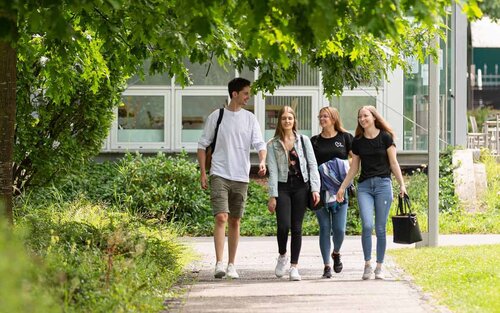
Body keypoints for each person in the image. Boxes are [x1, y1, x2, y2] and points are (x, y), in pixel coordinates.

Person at [197, 77, 267, 279]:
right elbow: (202, 145)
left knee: (235, 221)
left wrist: (262, 161)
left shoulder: (250, 118)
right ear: (234, 94)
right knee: (221, 217)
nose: (248, 97)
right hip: (219, 172)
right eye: (245, 93)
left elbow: (259, 144)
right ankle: (219, 262)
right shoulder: (216, 116)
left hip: (240, 175)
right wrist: (203, 172)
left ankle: (231, 264)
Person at [336, 105, 407, 280]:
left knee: (381, 228)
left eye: (365, 116)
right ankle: (367, 264)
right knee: (367, 225)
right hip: (365, 187)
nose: (362, 119)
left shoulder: (386, 138)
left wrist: (402, 185)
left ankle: (379, 266)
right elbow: (354, 168)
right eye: (360, 116)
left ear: (374, 117)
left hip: (383, 185)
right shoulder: (357, 142)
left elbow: (394, 163)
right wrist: (343, 187)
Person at [266, 106, 320, 281]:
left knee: (297, 227)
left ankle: (294, 267)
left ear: (294, 120)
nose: (287, 121)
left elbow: (312, 165)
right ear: (280, 121)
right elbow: (272, 171)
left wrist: (315, 189)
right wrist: (273, 195)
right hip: (282, 186)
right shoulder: (273, 144)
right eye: (284, 118)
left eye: (290, 118)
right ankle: (282, 255)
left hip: (301, 187)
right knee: (283, 226)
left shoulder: (303, 141)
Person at [310, 107, 354, 278]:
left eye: (325, 116)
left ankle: (336, 253)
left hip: (340, 189)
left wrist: (339, 165)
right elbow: (311, 165)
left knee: (339, 229)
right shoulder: (315, 141)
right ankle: (326, 266)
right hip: (320, 190)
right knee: (324, 227)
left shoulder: (345, 138)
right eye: (320, 116)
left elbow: (355, 160)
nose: (322, 119)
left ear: (334, 118)